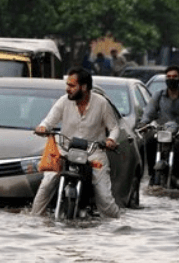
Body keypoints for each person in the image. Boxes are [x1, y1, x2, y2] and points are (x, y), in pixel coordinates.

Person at [31, 68, 121, 218]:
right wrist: (43, 128)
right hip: (65, 151)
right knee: (46, 184)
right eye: (67, 85)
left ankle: (117, 226)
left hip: (94, 153)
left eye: (72, 86)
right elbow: (49, 121)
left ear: (84, 87)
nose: (68, 89)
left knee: (104, 197)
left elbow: (114, 128)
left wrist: (111, 140)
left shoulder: (102, 103)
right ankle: (33, 220)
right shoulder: (63, 101)